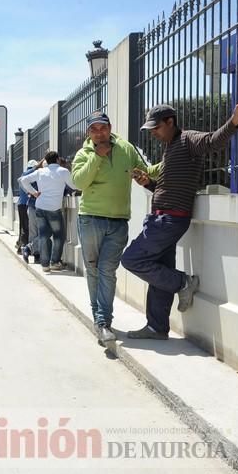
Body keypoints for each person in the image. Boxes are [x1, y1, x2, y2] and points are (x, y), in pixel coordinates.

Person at [121, 101, 238, 340]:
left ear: (170, 122)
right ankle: (156, 327)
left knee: (131, 259)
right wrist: (148, 183)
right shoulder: (170, 147)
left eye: (156, 127)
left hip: (169, 220)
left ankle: (184, 282)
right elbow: (168, 187)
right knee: (160, 272)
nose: (153, 132)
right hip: (162, 218)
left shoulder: (188, 139)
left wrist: (234, 121)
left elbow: (214, 141)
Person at [71, 111, 160, 346]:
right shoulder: (83, 154)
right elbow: (79, 182)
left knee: (107, 270)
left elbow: (144, 170)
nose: (99, 133)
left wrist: (170, 160)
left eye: (103, 128)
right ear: (89, 133)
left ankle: (103, 321)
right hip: (90, 218)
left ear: (110, 128)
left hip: (119, 221)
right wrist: (97, 157)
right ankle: (100, 320)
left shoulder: (126, 148)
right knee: (93, 270)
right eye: (94, 129)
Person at [19, 151, 78, 273]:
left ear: (46, 161)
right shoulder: (63, 171)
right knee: (59, 236)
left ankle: (45, 265)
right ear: (57, 160)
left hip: (39, 207)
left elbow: (23, 180)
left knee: (43, 235)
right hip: (54, 209)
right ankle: (54, 262)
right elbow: (74, 185)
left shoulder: (41, 172)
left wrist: (33, 193)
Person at [19, 160, 40, 263]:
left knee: (30, 230)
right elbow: (23, 178)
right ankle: (32, 251)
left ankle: (29, 249)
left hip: (29, 205)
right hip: (30, 205)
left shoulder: (37, 176)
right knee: (33, 231)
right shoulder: (30, 174)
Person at [15, 159, 37, 256]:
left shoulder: (24, 176)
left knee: (23, 227)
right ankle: (24, 247)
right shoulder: (27, 175)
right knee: (26, 227)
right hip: (25, 205)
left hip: (21, 204)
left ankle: (20, 246)